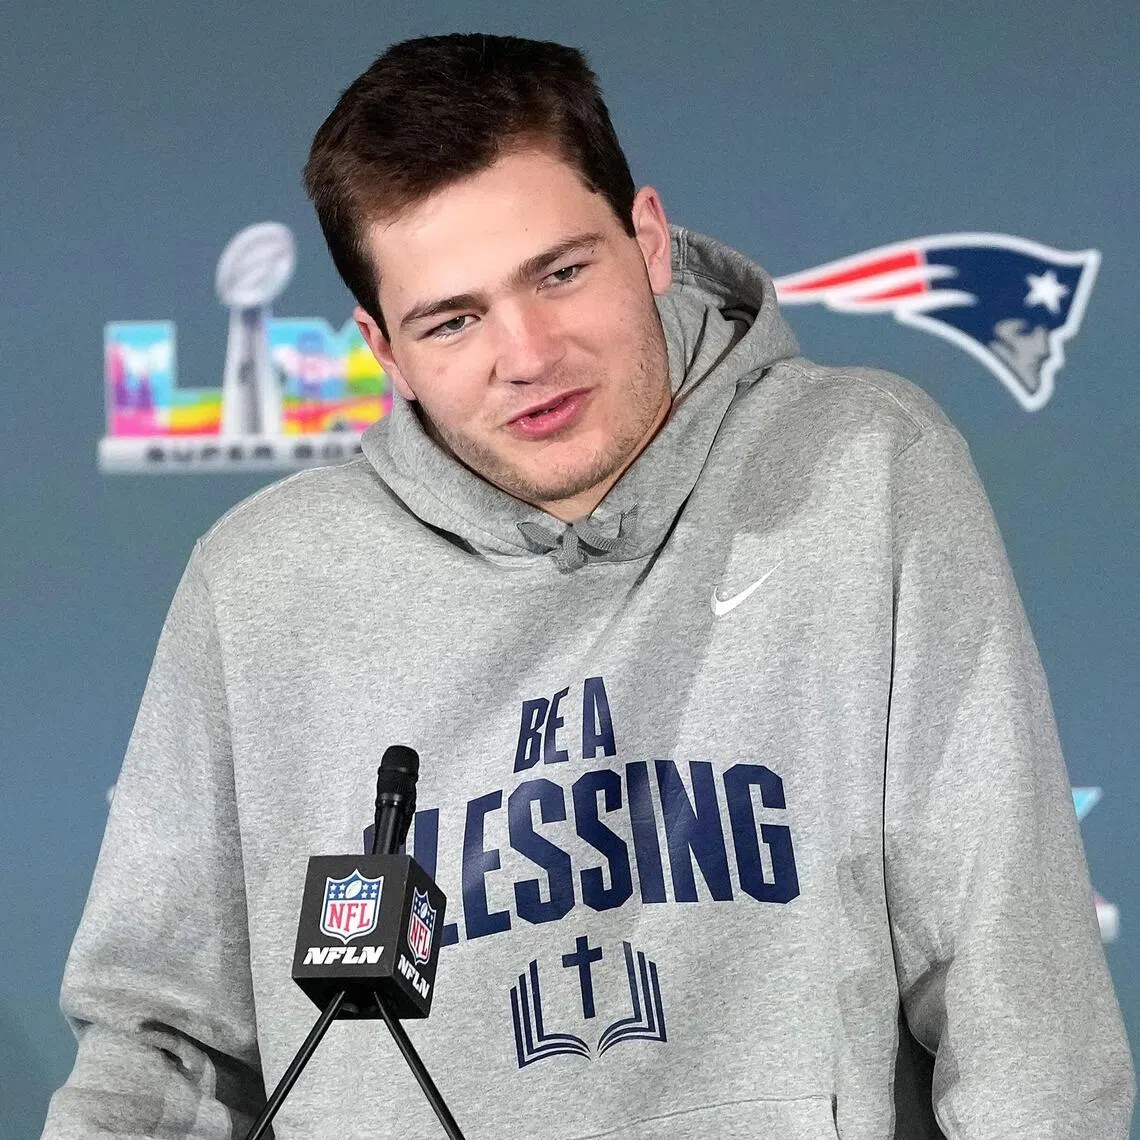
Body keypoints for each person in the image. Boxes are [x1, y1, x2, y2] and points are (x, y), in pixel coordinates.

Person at [43, 33, 1133, 1140]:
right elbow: (158, 1049)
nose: (527, 352)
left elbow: (1017, 991)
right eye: (452, 319)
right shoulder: (263, 585)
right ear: (383, 346)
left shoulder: (861, 468)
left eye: (560, 273)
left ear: (649, 239)